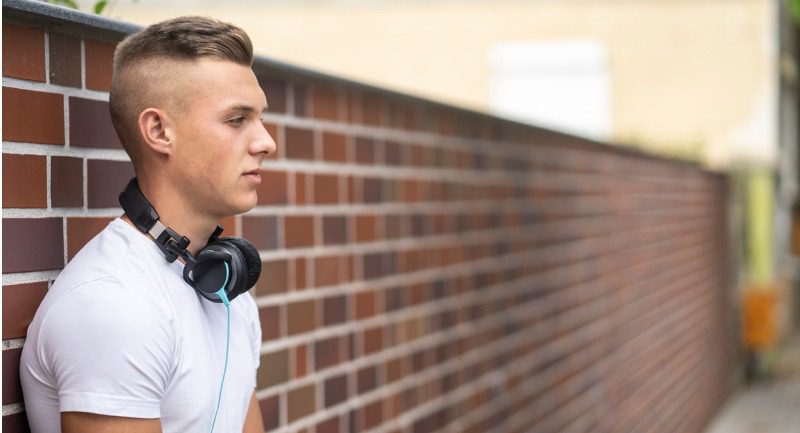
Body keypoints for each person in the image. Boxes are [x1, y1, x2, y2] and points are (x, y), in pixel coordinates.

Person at [20, 16, 276, 433]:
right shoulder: (113, 304)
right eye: (236, 120)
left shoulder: (225, 287)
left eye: (260, 118)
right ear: (159, 131)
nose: (266, 142)